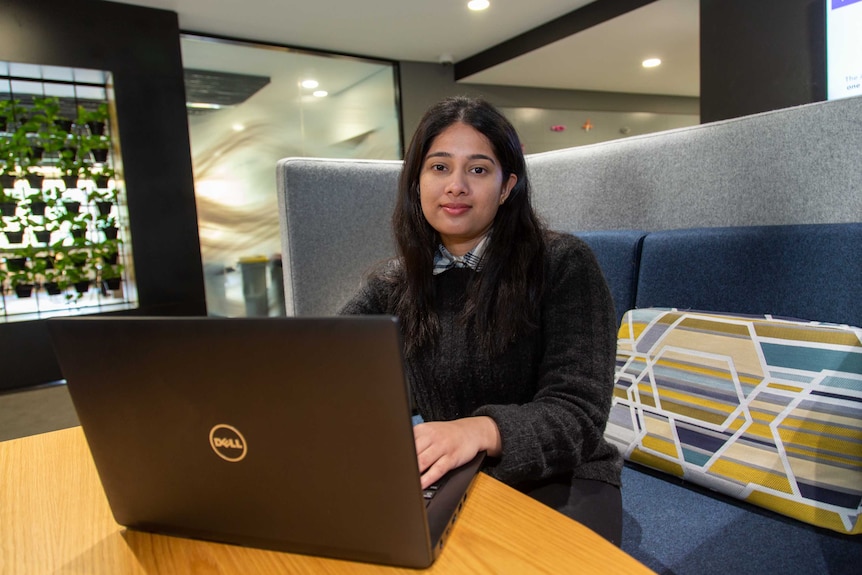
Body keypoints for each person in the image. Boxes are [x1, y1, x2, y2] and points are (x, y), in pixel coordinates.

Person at [339, 96, 623, 545]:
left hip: (563, 475)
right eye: (438, 168)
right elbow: (326, 367)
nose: (456, 186)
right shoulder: (394, 284)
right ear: (416, 182)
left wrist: (478, 430)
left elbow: (579, 415)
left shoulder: (563, 263)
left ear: (507, 187)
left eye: (477, 169)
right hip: (450, 474)